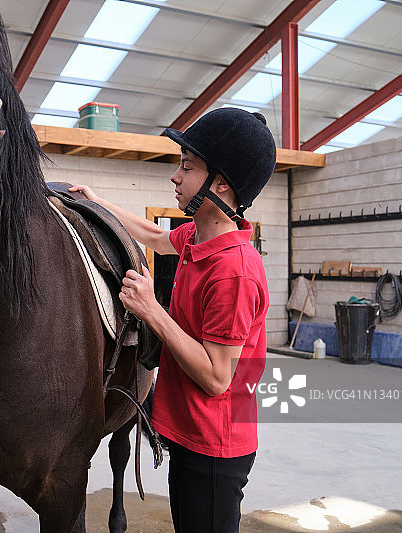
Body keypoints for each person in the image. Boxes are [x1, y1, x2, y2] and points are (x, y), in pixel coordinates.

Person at [70, 107, 276, 533]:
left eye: (187, 167)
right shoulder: (197, 238)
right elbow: (151, 235)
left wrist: (152, 310)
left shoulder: (233, 271)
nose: (175, 177)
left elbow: (218, 377)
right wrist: (96, 203)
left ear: (220, 185)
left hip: (215, 447)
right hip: (189, 433)